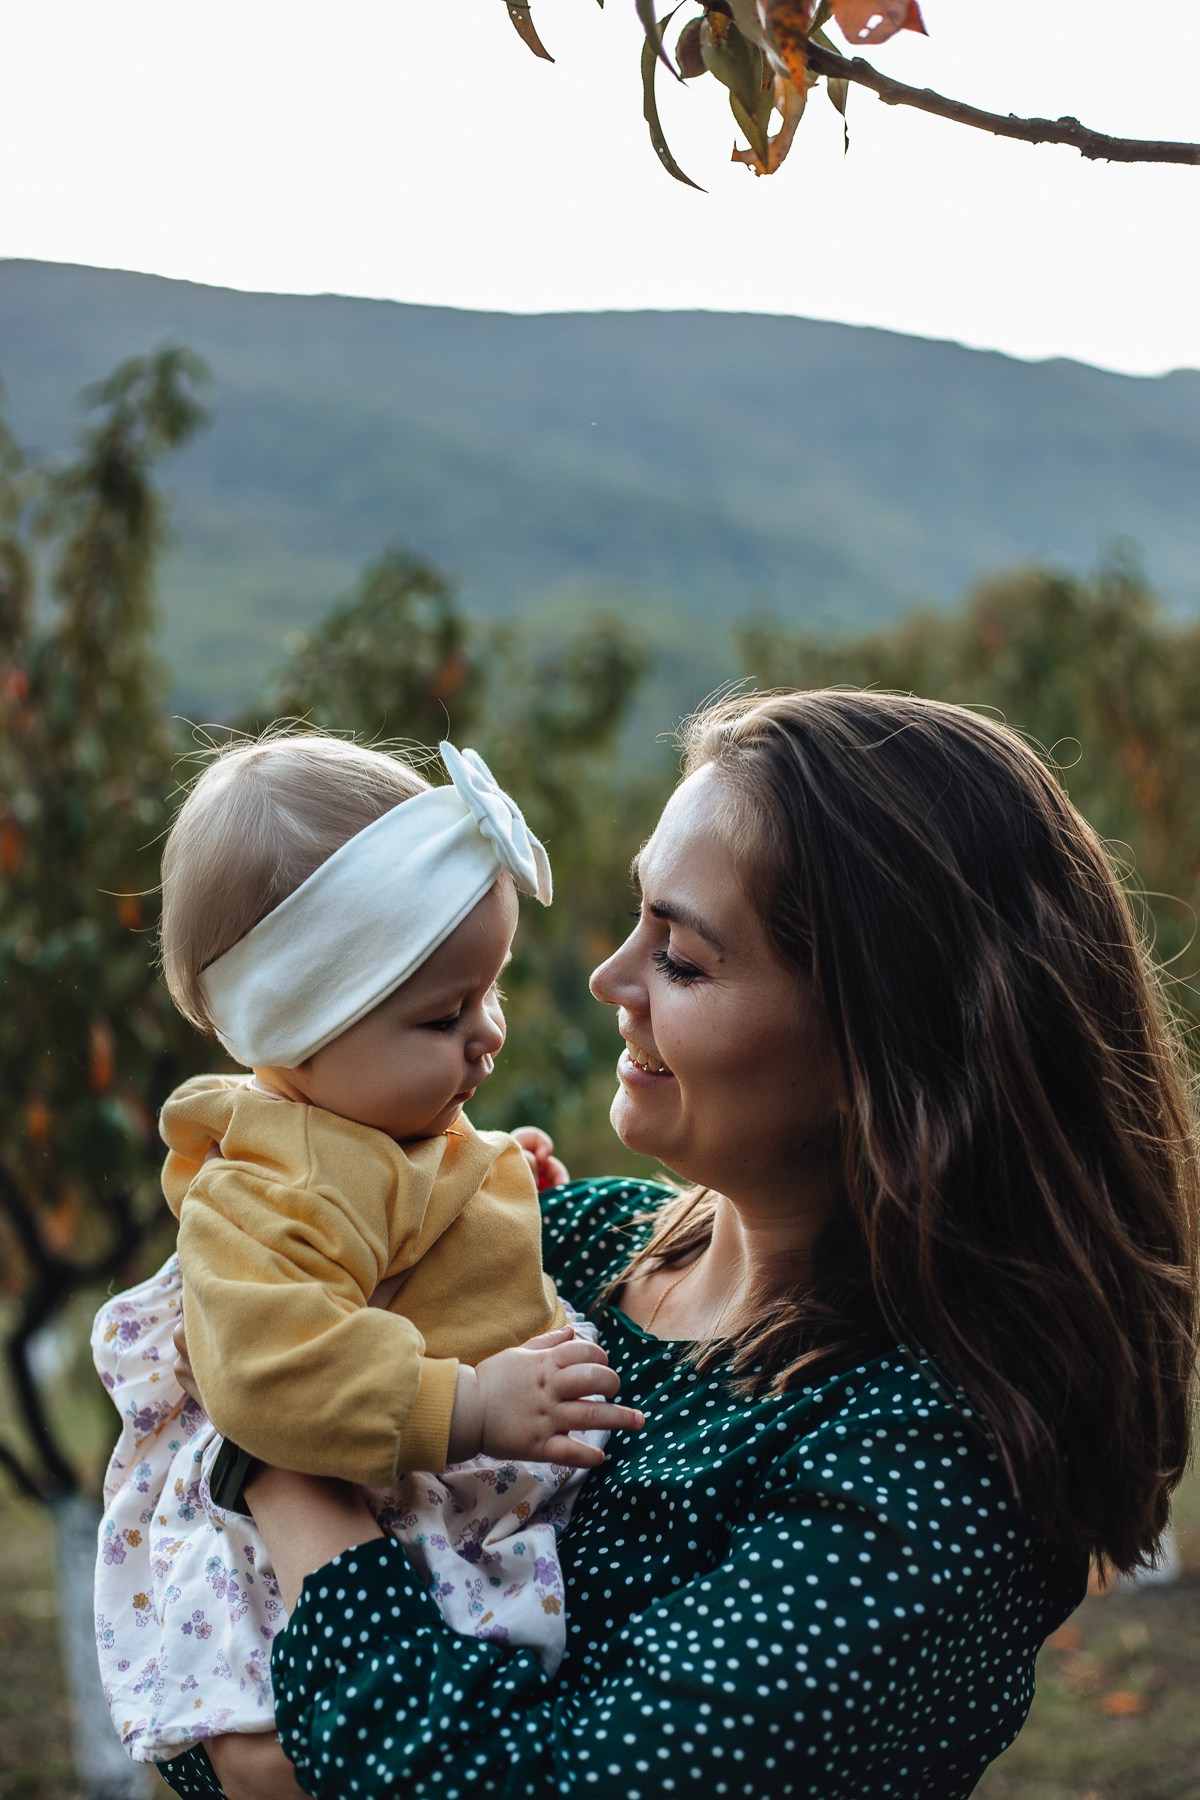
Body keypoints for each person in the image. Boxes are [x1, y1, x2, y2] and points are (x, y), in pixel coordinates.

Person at [164, 690, 1198, 1800]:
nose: (610, 981)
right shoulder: (574, 1244)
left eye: (684, 961)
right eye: (634, 921)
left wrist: (282, 1475)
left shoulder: (913, 1472)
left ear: (888, 1045)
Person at [91, 733, 644, 1790]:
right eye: (444, 1014)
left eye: (493, 991)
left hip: (408, 1496)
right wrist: (471, 1401)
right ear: (298, 1024)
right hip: (315, 1513)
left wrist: (503, 1184)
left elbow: (414, 1199)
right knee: (268, 1746)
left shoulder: (378, 1119)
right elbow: (268, 1371)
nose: (487, 1035)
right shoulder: (268, 1183)